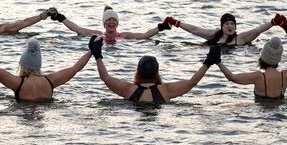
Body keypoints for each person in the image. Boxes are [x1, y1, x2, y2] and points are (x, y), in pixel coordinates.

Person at [89, 36, 219, 106]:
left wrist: (97, 55)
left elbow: (105, 78)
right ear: (157, 72)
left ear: (138, 71)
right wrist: (208, 62)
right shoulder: (166, 90)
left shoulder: (128, 89)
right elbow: (192, 82)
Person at [0, 38, 92, 102]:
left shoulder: (18, 83)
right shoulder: (50, 81)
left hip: (23, 111)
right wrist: (91, 51)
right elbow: (75, 68)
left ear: (22, 64)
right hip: (45, 111)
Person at [53, 5, 177, 45]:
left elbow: (144, 36)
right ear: (104, 23)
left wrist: (160, 27)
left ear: (117, 23)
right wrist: (60, 18)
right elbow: (77, 29)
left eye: (114, 20)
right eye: (108, 20)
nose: (111, 22)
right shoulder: (97, 34)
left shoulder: (123, 35)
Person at [171, 12, 274, 47]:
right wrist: (177, 23)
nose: (230, 26)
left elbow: (258, 30)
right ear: (221, 26)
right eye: (226, 24)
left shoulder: (240, 38)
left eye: (232, 24)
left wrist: (273, 22)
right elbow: (195, 30)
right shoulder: (214, 35)